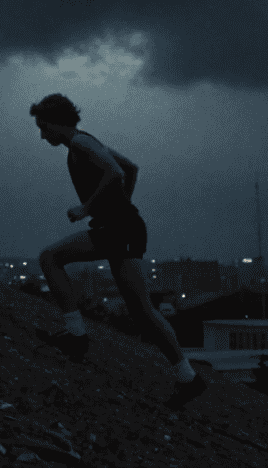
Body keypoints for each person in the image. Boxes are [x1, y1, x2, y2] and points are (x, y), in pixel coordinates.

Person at [29, 93, 207, 410]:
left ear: (58, 123)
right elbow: (131, 168)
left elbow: (116, 172)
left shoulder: (82, 144)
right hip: (121, 227)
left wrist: (88, 208)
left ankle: (76, 335)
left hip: (119, 230)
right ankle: (188, 378)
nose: (42, 135)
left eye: (44, 127)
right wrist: (117, 207)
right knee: (141, 310)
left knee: (50, 258)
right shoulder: (85, 142)